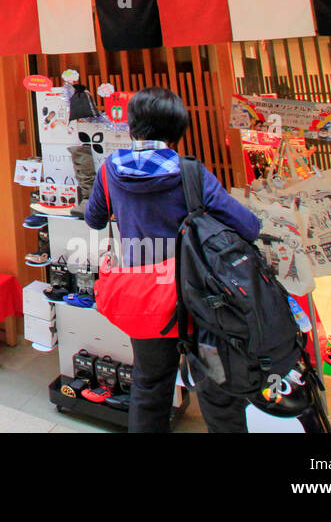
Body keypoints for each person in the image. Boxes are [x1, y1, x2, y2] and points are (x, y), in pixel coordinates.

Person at [84, 87, 261, 433]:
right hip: (202, 298)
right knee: (218, 391)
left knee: (149, 385)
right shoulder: (191, 173)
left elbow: (94, 219)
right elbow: (248, 226)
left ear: (133, 126)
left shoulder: (110, 171)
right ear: (179, 128)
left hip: (146, 297)